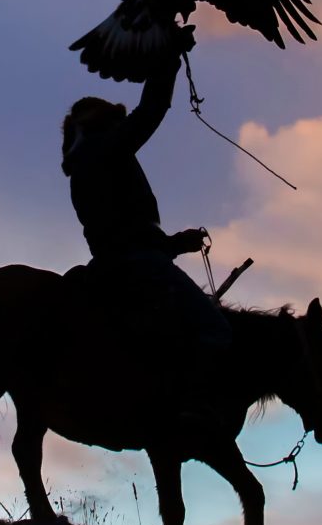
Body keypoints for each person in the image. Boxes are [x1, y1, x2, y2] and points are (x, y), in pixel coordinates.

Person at [59, 27, 228, 369]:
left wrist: (176, 244)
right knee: (215, 330)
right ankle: (194, 410)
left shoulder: (84, 163)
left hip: (110, 263)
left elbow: (122, 233)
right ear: (104, 125)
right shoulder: (107, 148)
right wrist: (168, 57)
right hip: (138, 265)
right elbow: (151, 110)